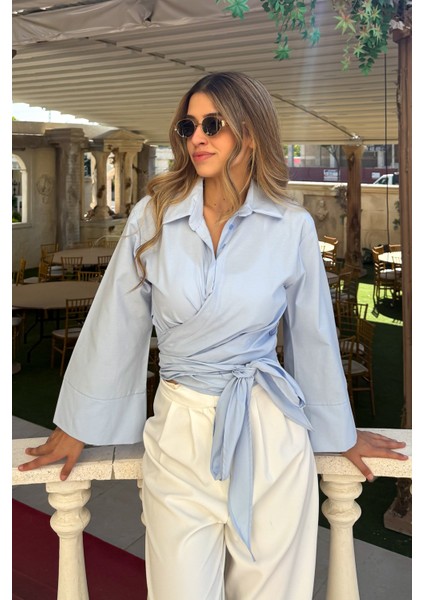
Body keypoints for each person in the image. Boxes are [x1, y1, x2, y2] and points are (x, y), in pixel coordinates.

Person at [19, 71, 407, 600]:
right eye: (188, 125)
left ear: (250, 133)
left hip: (272, 434)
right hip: (178, 433)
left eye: (212, 124)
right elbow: (116, 320)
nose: (196, 137)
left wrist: (340, 432)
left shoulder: (291, 225)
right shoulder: (154, 216)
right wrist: (77, 424)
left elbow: (314, 337)